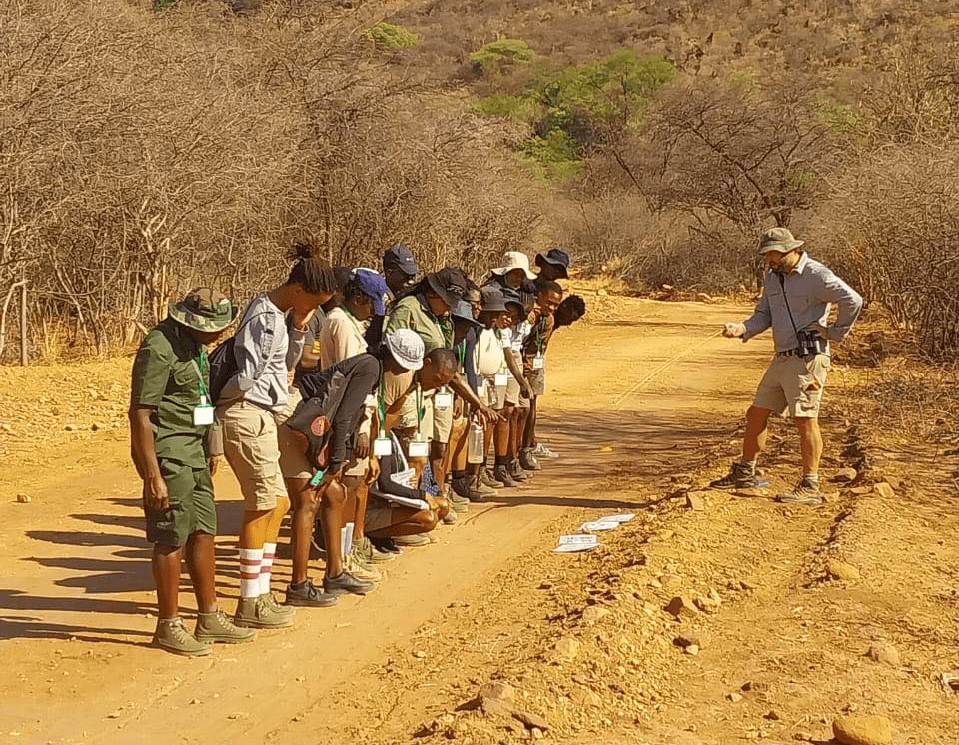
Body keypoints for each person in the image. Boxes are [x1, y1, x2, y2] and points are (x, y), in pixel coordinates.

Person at [216, 243, 341, 628]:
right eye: (312, 304)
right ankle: (249, 600)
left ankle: (261, 592)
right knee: (263, 505)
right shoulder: (266, 319)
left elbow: (283, 365)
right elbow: (249, 375)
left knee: (279, 503)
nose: (312, 311)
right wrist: (227, 404)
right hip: (247, 413)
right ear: (299, 290)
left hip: (262, 413)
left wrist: (300, 327)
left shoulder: (281, 316)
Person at [130, 288, 255, 656]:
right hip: (170, 454)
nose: (218, 334)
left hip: (195, 451)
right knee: (171, 536)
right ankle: (168, 624)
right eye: (212, 328)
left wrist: (209, 445)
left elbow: (199, 397)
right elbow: (141, 413)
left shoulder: (197, 344)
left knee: (204, 530)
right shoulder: (159, 346)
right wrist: (152, 474)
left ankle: (209, 615)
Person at [711, 228, 863, 505]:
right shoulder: (772, 278)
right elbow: (764, 315)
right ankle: (746, 471)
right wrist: (742, 328)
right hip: (781, 358)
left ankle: (810, 485)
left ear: (792, 250)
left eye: (775, 253)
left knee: (804, 418)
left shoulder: (816, 275)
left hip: (807, 359)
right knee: (757, 413)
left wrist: (835, 331)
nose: (770, 258)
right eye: (768, 254)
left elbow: (852, 300)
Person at [518, 279, 564, 471]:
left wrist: (528, 373)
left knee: (530, 407)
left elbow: (538, 348)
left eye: (556, 305)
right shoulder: (526, 314)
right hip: (512, 365)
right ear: (539, 297)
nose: (552, 308)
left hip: (532, 366)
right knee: (515, 412)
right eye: (549, 303)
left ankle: (526, 449)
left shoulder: (548, 320)